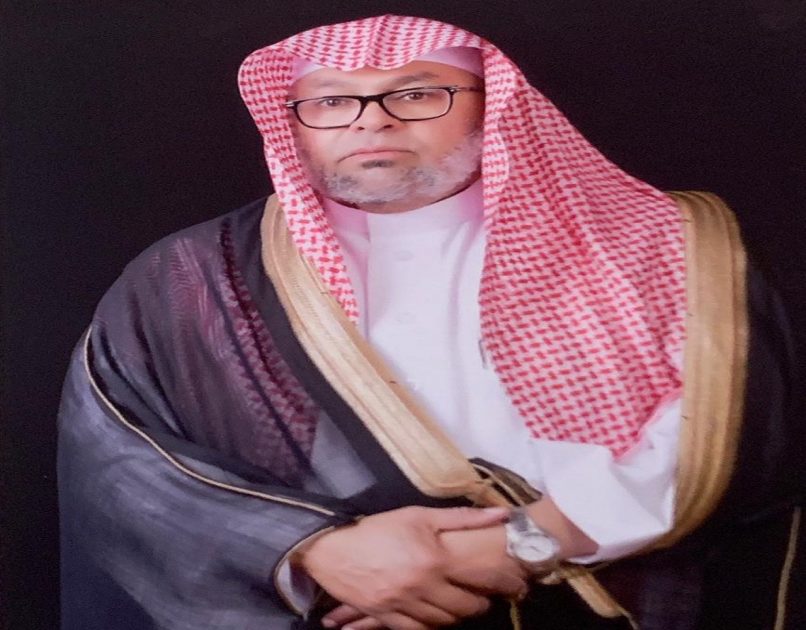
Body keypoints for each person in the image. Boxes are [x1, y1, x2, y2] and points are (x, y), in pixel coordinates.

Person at [58, 14, 801, 630]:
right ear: (295, 123)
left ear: (489, 101)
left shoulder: (654, 243)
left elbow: (723, 432)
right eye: (331, 100)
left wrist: (525, 543)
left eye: (417, 93)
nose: (371, 120)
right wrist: (310, 551)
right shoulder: (193, 276)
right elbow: (120, 460)